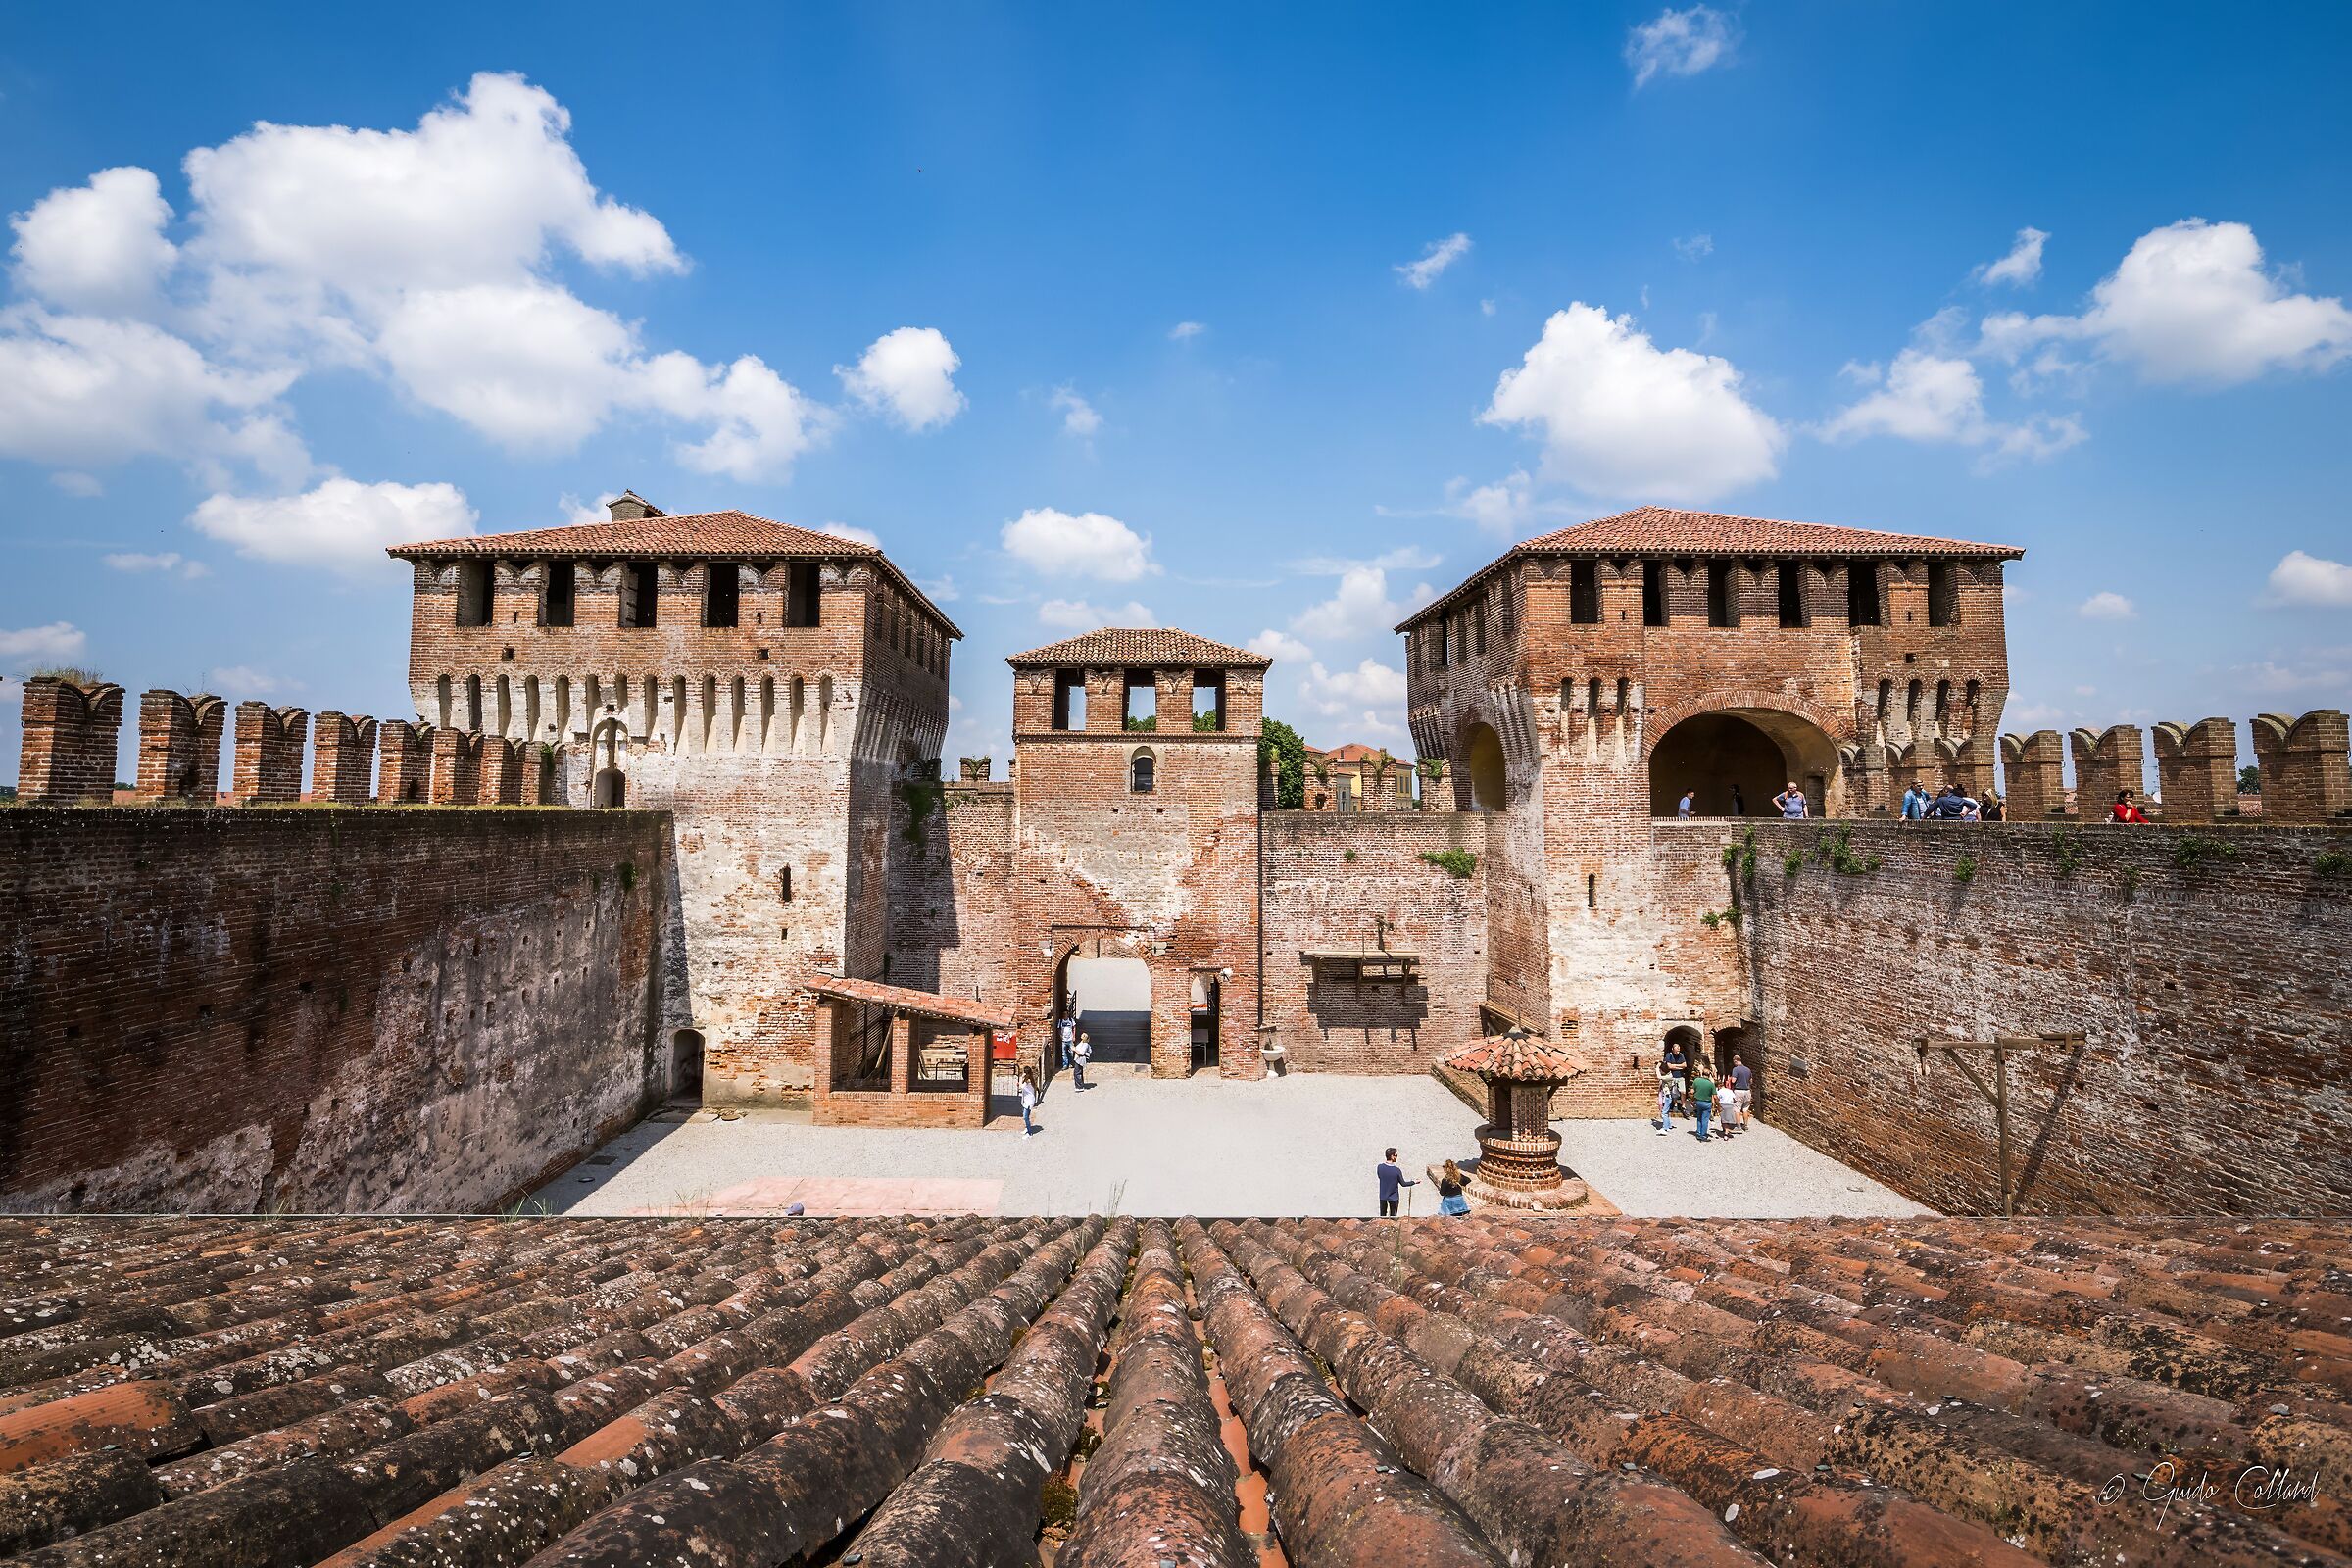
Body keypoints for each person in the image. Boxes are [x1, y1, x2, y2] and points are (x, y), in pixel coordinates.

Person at [1376, 1149, 1418, 1217]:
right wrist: (1414, 1182)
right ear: (1392, 1156)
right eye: (1396, 1155)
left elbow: (1380, 1177)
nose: (1397, 1157)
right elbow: (1403, 1184)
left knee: (1382, 1217)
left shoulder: (1380, 1167)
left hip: (1383, 1196)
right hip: (1394, 1197)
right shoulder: (1397, 1171)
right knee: (1393, 1217)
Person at [1690, 1066, 1717, 1141]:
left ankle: (1698, 1132)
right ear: (1709, 1074)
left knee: (1699, 1117)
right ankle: (1703, 1135)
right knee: (1705, 1119)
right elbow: (1715, 1096)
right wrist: (1718, 1105)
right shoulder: (1711, 1084)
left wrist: (1693, 1100)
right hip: (1707, 1103)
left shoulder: (1697, 1080)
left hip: (1698, 1102)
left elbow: (1692, 1092)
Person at [1729, 1054, 1753, 1134]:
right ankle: (1746, 1126)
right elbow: (1751, 1081)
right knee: (1745, 1109)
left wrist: (1730, 1078)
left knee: (1737, 1109)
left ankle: (1738, 1126)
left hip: (1739, 1091)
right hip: (1747, 1091)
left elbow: (1733, 1081)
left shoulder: (1735, 1069)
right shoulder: (1748, 1069)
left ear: (1735, 1061)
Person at [1017, 1067, 1039, 1137]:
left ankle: (1030, 1133)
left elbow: (1021, 1087)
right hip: (1027, 1101)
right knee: (1026, 1115)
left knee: (1025, 1117)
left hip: (1028, 1102)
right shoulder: (1030, 1080)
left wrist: (1021, 1078)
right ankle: (1027, 1128)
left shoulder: (1028, 1082)